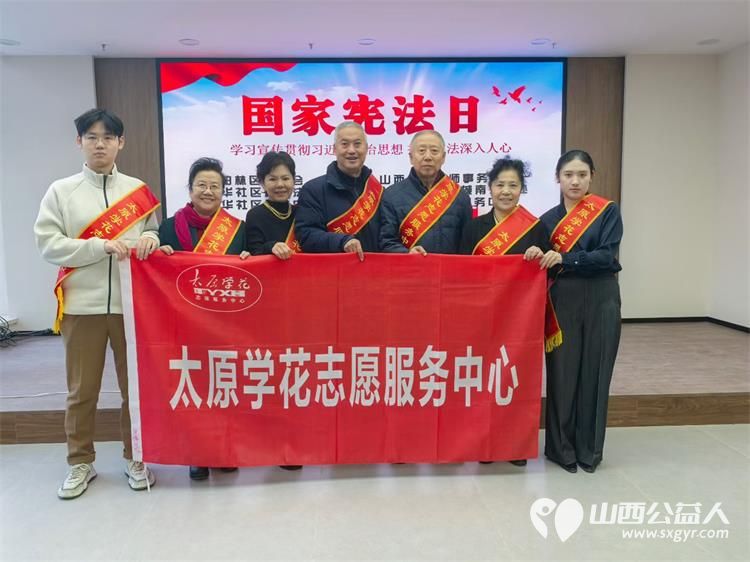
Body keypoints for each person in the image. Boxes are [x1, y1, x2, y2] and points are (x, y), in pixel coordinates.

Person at [34, 108, 160, 499]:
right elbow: (49, 244)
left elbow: (154, 231)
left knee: (134, 390)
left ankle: (136, 456)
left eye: (108, 137)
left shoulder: (137, 191)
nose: (100, 144)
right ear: (80, 142)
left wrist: (152, 239)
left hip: (131, 307)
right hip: (80, 307)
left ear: (121, 142)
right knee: (81, 391)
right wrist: (98, 246)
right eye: (92, 137)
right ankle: (80, 462)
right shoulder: (61, 191)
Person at [459, 157, 554, 467]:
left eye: (513, 185)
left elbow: (550, 270)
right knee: (482, 381)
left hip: (519, 323)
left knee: (516, 380)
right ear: (489, 188)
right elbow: (462, 273)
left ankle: (515, 445)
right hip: (481, 318)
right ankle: (485, 444)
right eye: (500, 184)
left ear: (521, 189)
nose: (506, 191)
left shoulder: (536, 228)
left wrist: (540, 254)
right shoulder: (474, 227)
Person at [158, 157, 244, 480]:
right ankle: (196, 453)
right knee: (193, 387)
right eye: (202, 185)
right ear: (190, 189)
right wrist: (159, 253)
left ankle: (223, 450)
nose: (208, 191)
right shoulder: (168, 227)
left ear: (223, 191)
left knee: (223, 385)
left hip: (225, 323)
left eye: (214, 186)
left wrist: (248, 259)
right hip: (184, 322)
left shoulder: (238, 230)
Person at [538, 149, 623, 474]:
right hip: (563, 299)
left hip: (602, 296)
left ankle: (589, 451)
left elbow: (606, 256)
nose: (575, 181)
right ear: (557, 178)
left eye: (582, 175)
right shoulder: (547, 220)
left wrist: (567, 258)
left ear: (591, 177)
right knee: (563, 373)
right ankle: (561, 450)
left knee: (595, 372)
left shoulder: (607, 211)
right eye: (568, 175)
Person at [295, 121, 382, 260]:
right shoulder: (313, 190)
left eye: (357, 144)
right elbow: (306, 235)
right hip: (334, 271)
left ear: (366, 148)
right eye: (345, 144)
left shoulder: (377, 190)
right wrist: (342, 241)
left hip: (376, 270)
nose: (351, 150)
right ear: (334, 149)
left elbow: (388, 236)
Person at [380, 130, 472, 254]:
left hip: (449, 267)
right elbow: (386, 242)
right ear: (411, 157)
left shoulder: (459, 196)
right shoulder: (392, 195)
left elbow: (468, 245)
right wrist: (407, 253)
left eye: (434, 151)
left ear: (443, 157)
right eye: (421, 151)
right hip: (410, 266)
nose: (428, 157)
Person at [244, 151, 301, 259]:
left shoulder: (301, 212)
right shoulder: (255, 215)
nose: (280, 184)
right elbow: (253, 253)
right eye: (272, 179)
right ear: (262, 183)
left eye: (285, 178)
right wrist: (270, 247)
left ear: (294, 180)